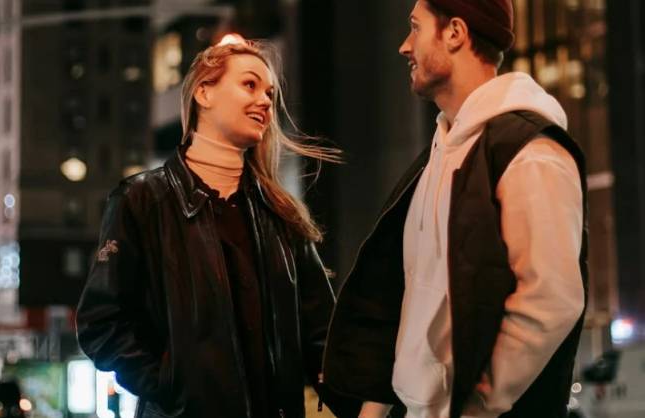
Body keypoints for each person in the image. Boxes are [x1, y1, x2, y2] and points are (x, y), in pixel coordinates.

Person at [323, 1, 587, 417]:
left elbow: (551, 299)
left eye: (415, 27)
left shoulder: (529, 151)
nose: (404, 46)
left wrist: (477, 406)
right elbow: (403, 301)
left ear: (455, 33)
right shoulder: (439, 153)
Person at [76, 36, 347, 418]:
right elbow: (101, 323)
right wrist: (171, 387)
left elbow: (322, 335)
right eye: (250, 84)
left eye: (270, 93)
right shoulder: (142, 200)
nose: (265, 101)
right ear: (204, 92)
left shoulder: (280, 212)